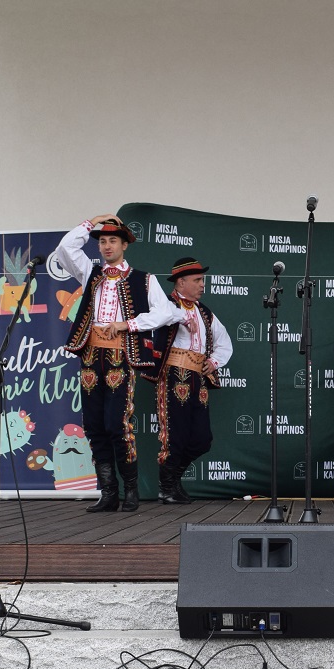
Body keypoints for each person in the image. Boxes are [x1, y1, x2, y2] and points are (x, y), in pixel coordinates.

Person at [55, 214, 178, 513]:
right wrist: (92, 222)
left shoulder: (143, 279)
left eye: (113, 241)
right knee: (94, 425)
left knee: (117, 424)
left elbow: (166, 312)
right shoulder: (90, 272)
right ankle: (108, 492)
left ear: (125, 245)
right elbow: (64, 249)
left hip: (120, 356)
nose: (107, 246)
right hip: (90, 355)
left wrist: (129, 324)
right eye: (103, 241)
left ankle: (130, 490)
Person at [148, 257, 234, 503]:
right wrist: (180, 316)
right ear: (181, 282)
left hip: (198, 377)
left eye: (202, 280)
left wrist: (214, 362)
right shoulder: (166, 306)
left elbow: (224, 341)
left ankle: (172, 480)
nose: (202, 285)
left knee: (201, 439)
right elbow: (156, 322)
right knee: (175, 435)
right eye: (197, 280)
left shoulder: (204, 312)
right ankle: (167, 488)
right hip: (173, 375)